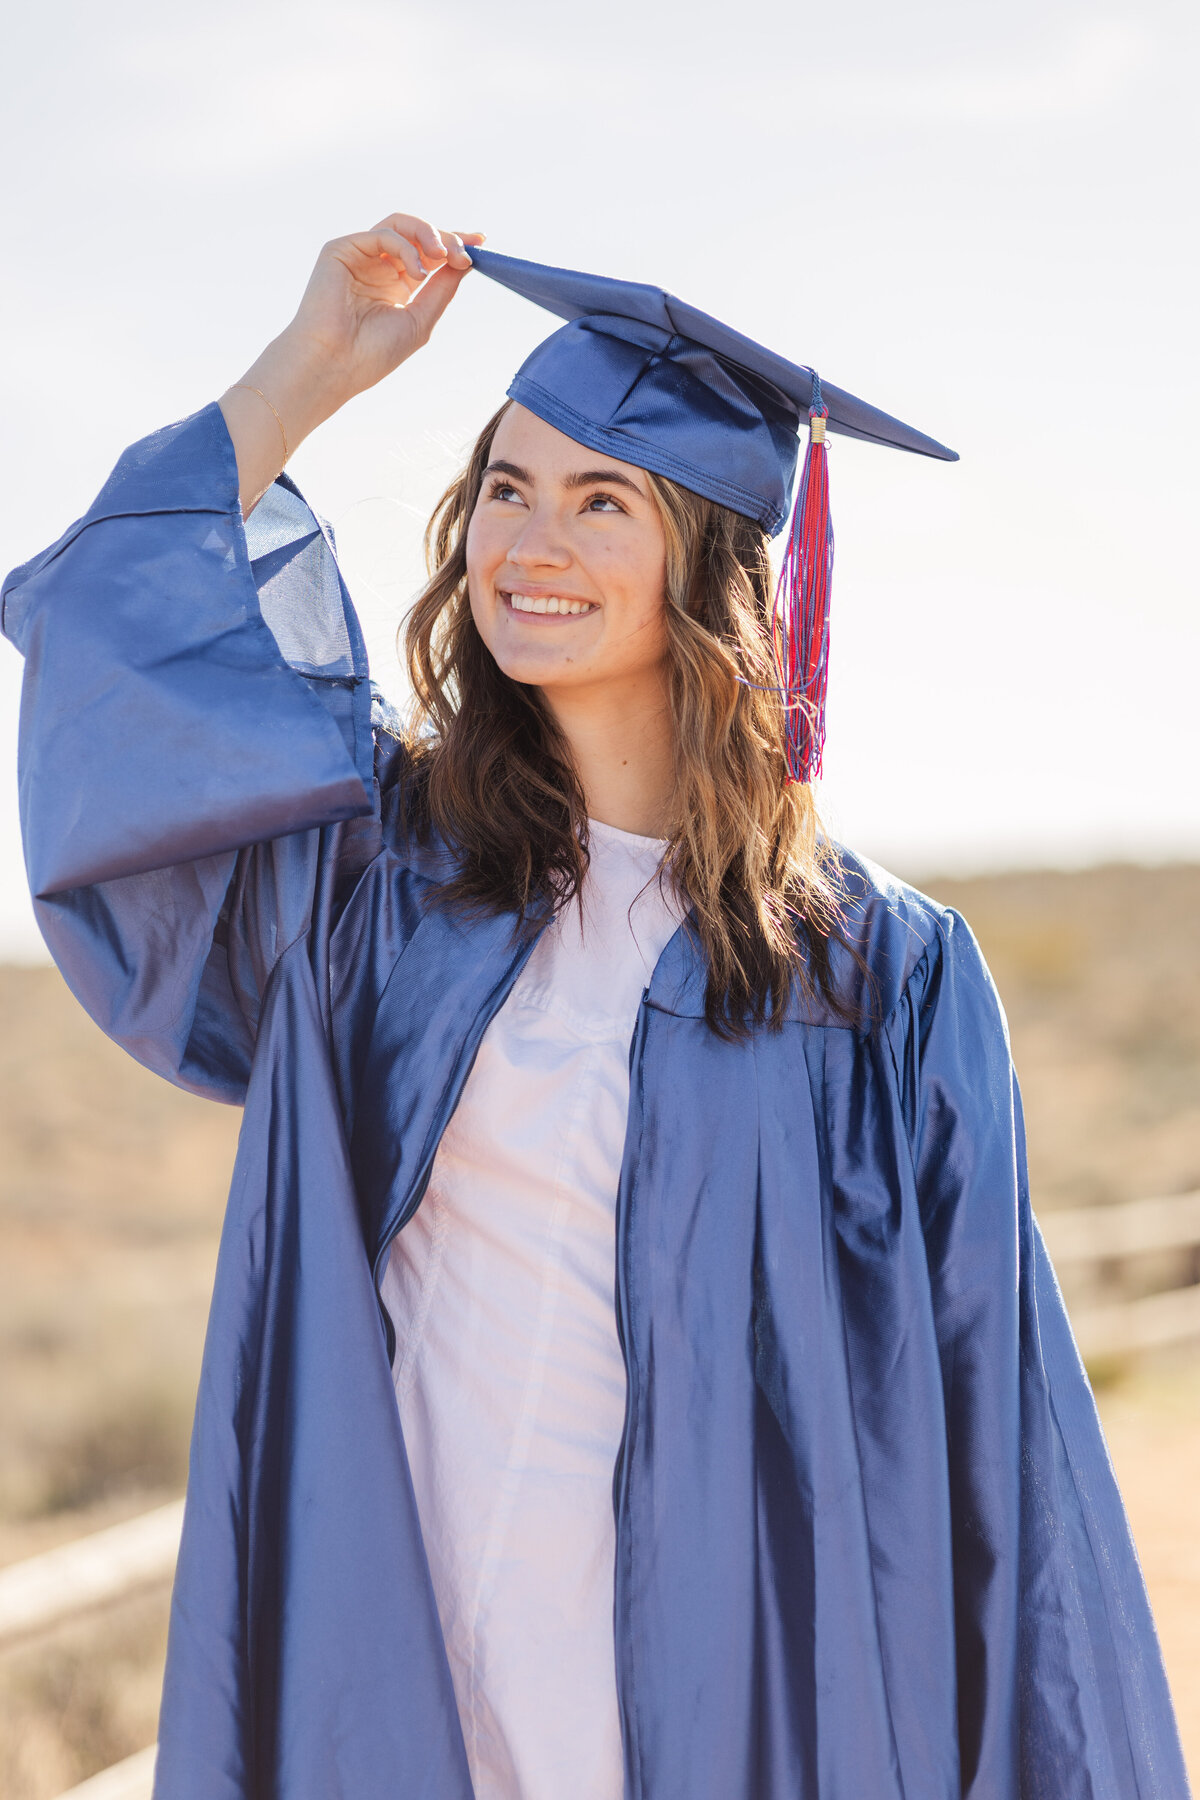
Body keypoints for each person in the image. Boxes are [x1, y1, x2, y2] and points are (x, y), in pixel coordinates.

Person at [1, 211, 1189, 1800]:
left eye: (599, 501)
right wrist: (303, 377)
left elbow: (1009, 1452)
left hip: (734, 1699)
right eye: (505, 488)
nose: (528, 543)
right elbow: (125, 654)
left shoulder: (880, 978)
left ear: (707, 566)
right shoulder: (379, 883)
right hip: (399, 1669)